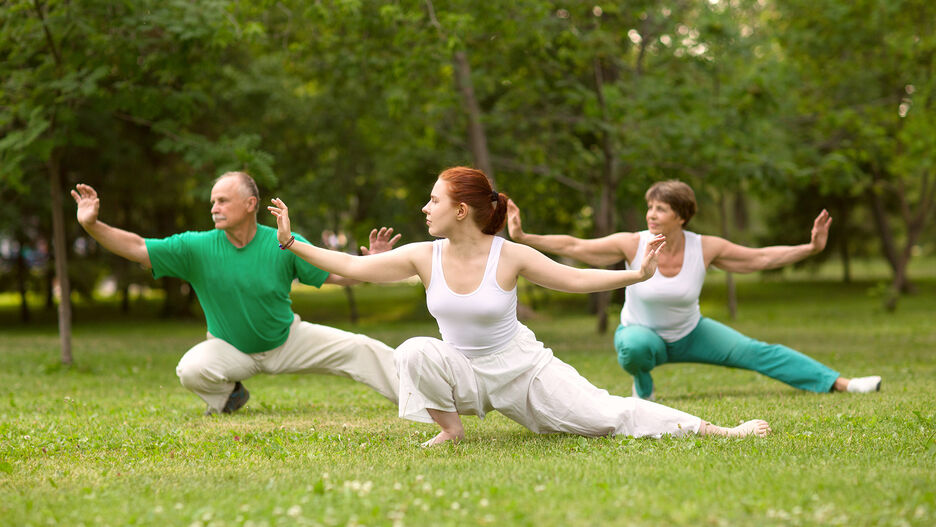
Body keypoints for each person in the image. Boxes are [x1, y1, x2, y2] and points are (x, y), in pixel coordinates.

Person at [268, 167, 771, 446]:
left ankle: (720, 430)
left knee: (607, 417)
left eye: (433, 201)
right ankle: (452, 430)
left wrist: (635, 274)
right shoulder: (423, 256)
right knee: (414, 350)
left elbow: (574, 278)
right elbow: (352, 268)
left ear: (460, 210)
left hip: (523, 371)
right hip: (463, 371)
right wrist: (292, 243)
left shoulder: (509, 255)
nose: (425, 208)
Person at [506, 179, 882, 401]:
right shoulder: (630, 242)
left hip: (692, 332)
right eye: (650, 207)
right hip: (643, 335)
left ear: (681, 216)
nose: (652, 214)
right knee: (636, 349)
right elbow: (575, 246)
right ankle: (643, 384)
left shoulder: (706, 247)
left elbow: (760, 259)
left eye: (662, 208)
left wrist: (812, 248)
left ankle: (843, 384)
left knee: (759, 352)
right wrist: (524, 236)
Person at [71, 172, 401, 415]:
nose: (214, 207)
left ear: (250, 204)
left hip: (287, 340)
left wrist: (373, 264)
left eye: (223, 200)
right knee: (191, 369)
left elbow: (338, 275)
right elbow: (138, 247)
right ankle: (230, 396)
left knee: (360, 347)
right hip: (229, 349)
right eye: (213, 201)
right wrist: (92, 226)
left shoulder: (283, 242)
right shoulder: (195, 247)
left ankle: (420, 398)